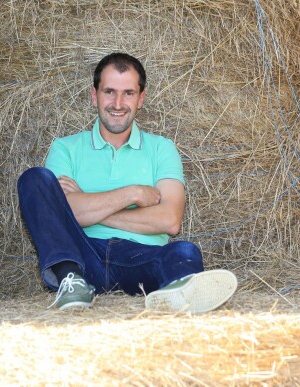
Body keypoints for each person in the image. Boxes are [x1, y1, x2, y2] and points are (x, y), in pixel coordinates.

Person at [17, 53, 237, 312]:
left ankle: (176, 294)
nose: (118, 103)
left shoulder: (162, 149)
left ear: (141, 98)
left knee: (185, 252)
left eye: (128, 93)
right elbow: (57, 211)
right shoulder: (65, 147)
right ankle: (70, 280)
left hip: (141, 258)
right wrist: (131, 194)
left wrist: (89, 205)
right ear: (94, 95)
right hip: (83, 257)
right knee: (35, 179)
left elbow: (170, 221)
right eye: (109, 91)